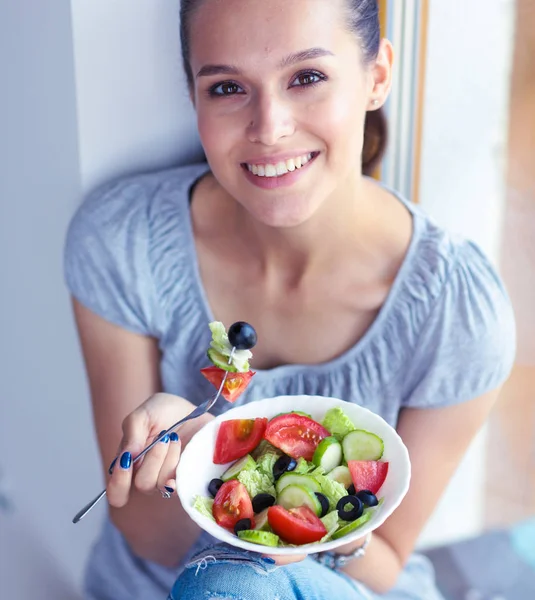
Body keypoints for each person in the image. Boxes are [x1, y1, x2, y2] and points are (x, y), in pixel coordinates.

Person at [64, 0, 516, 598]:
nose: (270, 127)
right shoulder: (122, 242)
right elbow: (150, 534)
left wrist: (325, 523)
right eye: (227, 87)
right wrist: (191, 462)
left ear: (377, 76)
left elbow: (382, 563)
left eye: (306, 77)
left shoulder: (458, 315)